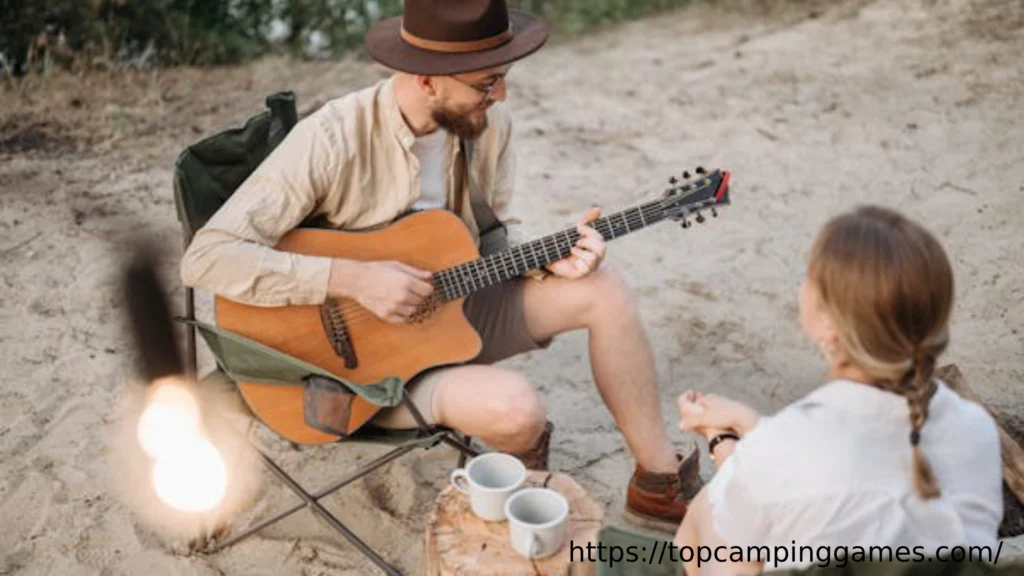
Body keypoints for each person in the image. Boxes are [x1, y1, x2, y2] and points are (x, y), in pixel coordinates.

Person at [180, 0, 702, 531]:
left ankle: (657, 484)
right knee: (519, 412)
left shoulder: (488, 123)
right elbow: (207, 256)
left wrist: (548, 261)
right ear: (427, 80)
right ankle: (517, 447)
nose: (500, 95)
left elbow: (494, 234)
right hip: (355, 377)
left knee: (604, 289)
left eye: (502, 78)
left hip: (454, 311)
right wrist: (352, 278)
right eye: (486, 83)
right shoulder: (334, 136)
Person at [673, 206, 1004, 574]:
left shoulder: (781, 448)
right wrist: (753, 429)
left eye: (809, 278)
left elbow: (744, 541)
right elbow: (857, 458)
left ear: (829, 326)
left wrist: (724, 446)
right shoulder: (976, 431)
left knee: (704, 515)